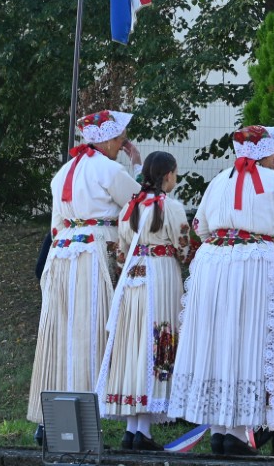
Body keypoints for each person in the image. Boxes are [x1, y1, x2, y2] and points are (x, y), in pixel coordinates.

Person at [168, 124, 274, 456]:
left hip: (213, 263)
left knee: (219, 341)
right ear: (270, 153)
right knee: (248, 338)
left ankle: (220, 429)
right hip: (252, 264)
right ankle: (239, 434)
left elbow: (200, 227)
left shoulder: (219, 180)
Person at [27, 109, 143, 441]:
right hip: (92, 253)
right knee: (91, 331)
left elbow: (55, 223)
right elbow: (139, 209)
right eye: (120, 138)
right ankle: (82, 414)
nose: (122, 143)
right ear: (106, 139)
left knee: (60, 333)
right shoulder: (110, 170)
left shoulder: (63, 172)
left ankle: (49, 420)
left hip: (61, 253)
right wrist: (135, 165)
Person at [95, 151, 195, 450]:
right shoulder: (171, 207)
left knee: (135, 344)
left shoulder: (130, 207)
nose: (175, 178)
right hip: (161, 277)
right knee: (157, 342)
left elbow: (121, 252)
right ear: (167, 175)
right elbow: (184, 248)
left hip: (132, 279)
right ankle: (144, 432)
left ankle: (133, 429)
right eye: (175, 173)